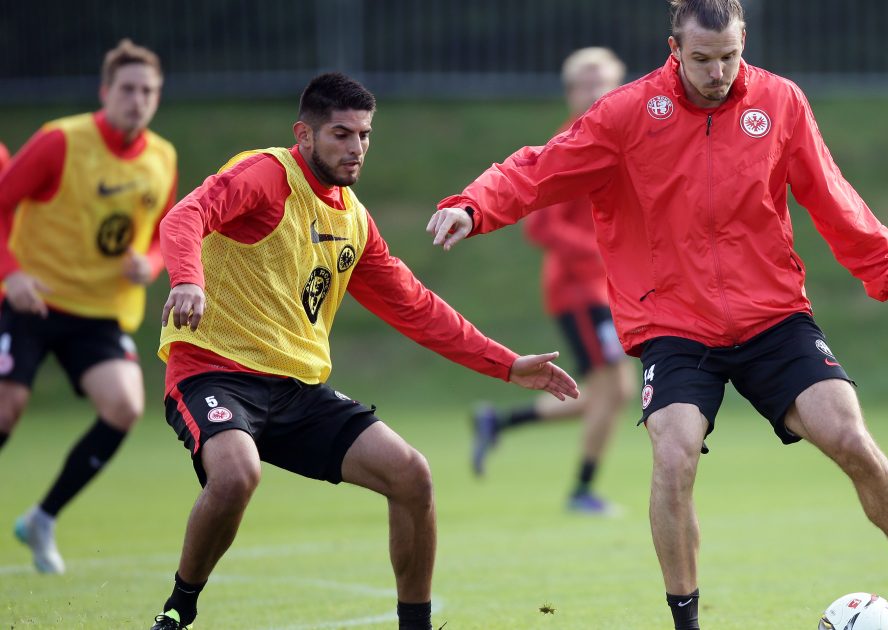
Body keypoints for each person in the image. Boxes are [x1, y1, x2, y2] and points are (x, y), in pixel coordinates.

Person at [426, 1, 888, 627]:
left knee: (850, 437)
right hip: (674, 325)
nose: (719, 71)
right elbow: (542, 166)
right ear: (674, 47)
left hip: (772, 315)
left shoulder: (781, 102)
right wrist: (474, 205)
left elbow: (830, 193)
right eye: (703, 59)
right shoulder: (628, 113)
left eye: (730, 56)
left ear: (744, 42)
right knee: (673, 455)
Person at [148, 73, 576, 630]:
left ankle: (415, 624)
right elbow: (184, 216)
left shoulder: (351, 218)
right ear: (304, 134)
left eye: (365, 135)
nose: (356, 149)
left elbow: (415, 307)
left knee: (412, 476)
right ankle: (179, 610)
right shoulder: (266, 174)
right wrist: (188, 280)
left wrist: (506, 364)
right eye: (341, 134)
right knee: (235, 476)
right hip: (214, 372)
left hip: (297, 389)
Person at [0, 39, 176, 575]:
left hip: (99, 313)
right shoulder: (60, 141)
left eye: (148, 90)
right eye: (127, 88)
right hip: (32, 301)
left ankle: (43, 519)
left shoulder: (161, 157)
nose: (137, 99)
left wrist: (150, 262)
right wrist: (11, 276)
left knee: (124, 406)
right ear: (105, 92)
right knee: (7, 407)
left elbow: (168, 233)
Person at [470, 47, 634, 515]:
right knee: (613, 391)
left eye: (604, 80)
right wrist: (602, 251)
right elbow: (540, 226)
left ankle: (499, 424)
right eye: (586, 82)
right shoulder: (569, 141)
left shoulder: (610, 138)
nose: (596, 89)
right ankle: (581, 491)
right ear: (570, 91)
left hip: (601, 287)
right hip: (577, 288)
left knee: (606, 394)